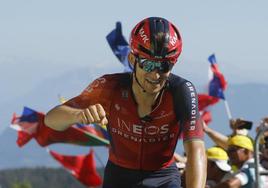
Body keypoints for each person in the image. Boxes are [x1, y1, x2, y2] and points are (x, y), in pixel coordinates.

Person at [45, 17, 206, 188]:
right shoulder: (109, 86)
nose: (156, 75)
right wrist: (78, 115)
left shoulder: (182, 91)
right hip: (119, 177)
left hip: (163, 178)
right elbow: (51, 120)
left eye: (165, 66)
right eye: (148, 64)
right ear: (132, 59)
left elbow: (196, 151)